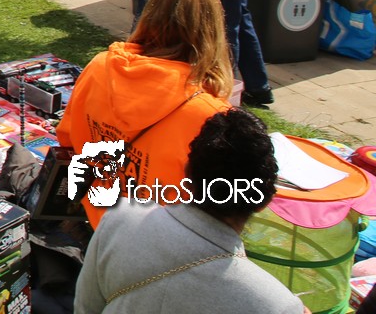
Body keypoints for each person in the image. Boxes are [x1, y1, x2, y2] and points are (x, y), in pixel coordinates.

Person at [74, 108, 299, 313]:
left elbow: (84, 308)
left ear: (187, 175)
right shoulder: (277, 304)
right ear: (264, 201)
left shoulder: (120, 217)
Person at [58, 0, 233, 230]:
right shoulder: (212, 115)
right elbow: (220, 202)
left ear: (149, 15)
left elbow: (67, 138)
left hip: (100, 218)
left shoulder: (100, 66)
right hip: (159, 239)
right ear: (213, 31)